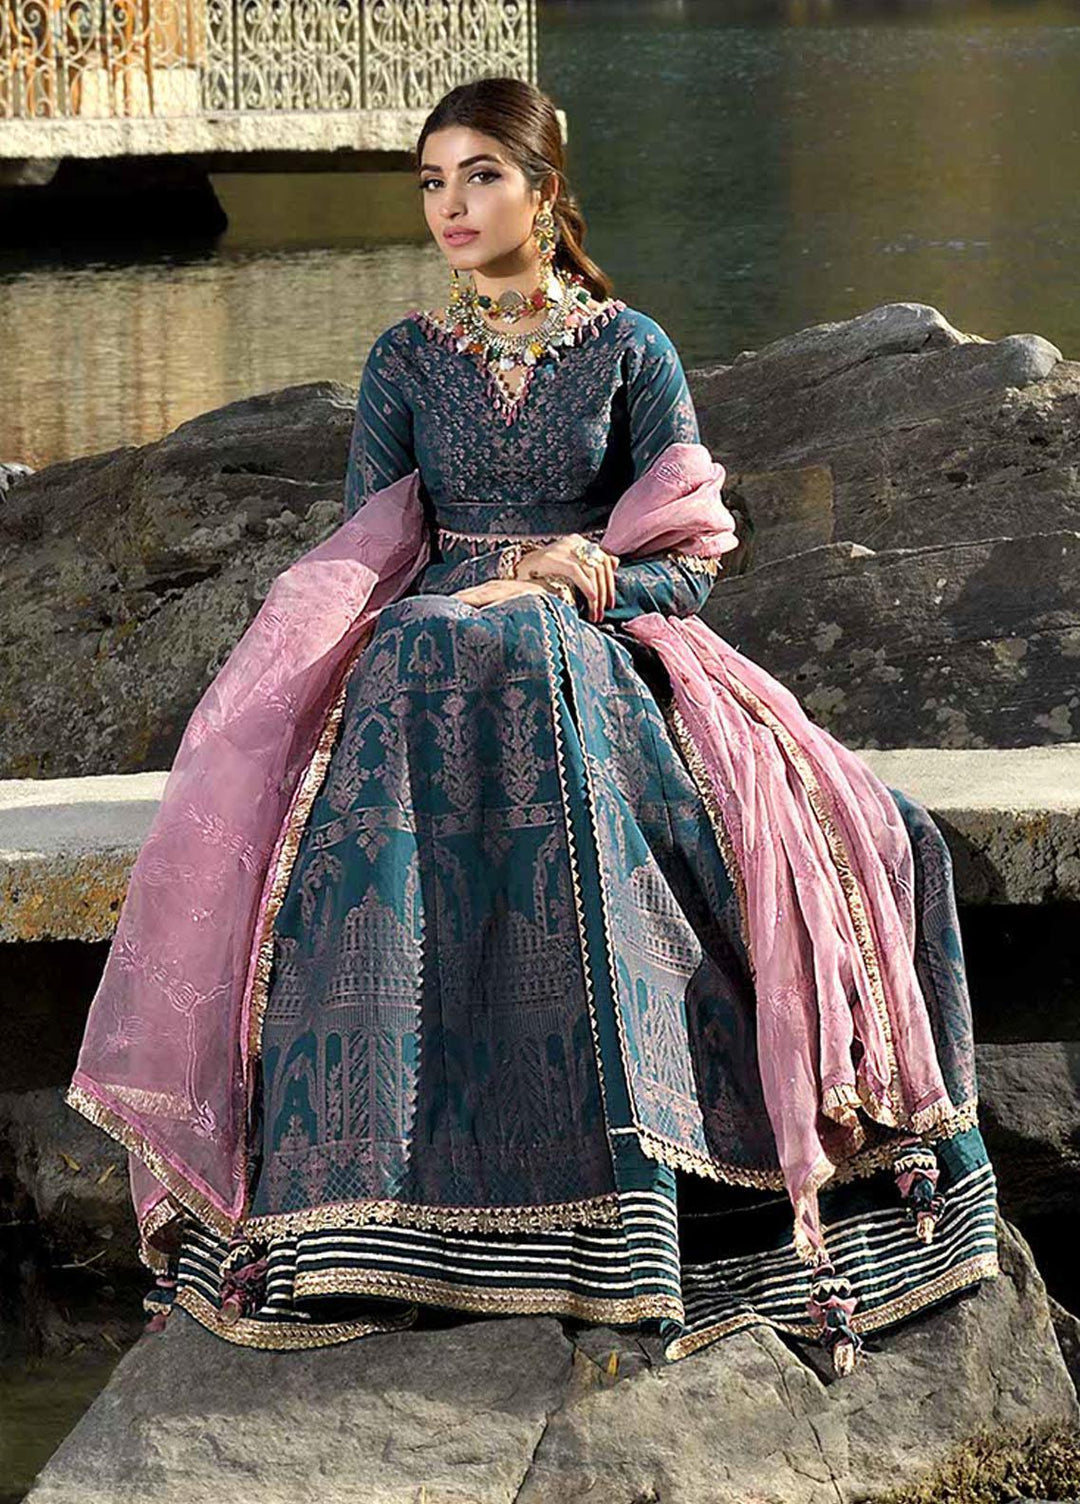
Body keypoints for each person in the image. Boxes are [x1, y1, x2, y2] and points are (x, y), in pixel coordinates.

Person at [66, 76, 998, 1372]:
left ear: (545, 191)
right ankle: (361, 1223)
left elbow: (691, 563)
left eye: (480, 177)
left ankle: (642, 1213)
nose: (450, 206)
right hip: (430, 660)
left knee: (578, 689)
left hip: (592, 648)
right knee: (430, 659)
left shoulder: (631, 351)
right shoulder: (405, 360)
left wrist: (581, 577)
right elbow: (371, 549)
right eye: (431, 183)